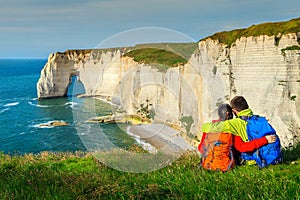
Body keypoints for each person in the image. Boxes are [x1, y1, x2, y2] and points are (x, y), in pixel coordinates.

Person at [202, 96, 281, 166]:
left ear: (234, 111)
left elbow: (208, 128)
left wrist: (205, 126)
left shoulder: (236, 123)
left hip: (253, 161)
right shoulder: (259, 119)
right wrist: (266, 140)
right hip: (274, 156)